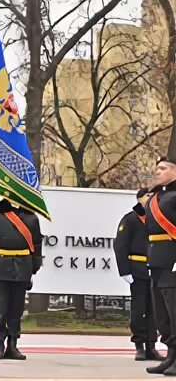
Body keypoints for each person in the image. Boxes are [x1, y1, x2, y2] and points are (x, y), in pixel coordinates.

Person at [0, 198, 42, 361]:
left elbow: (36, 245)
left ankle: (13, 344)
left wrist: (34, 268)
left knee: (17, 308)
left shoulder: (31, 219)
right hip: (2, 265)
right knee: (1, 307)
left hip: (23, 266)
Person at [113, 188, 163, 361]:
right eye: (148, 196)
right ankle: (139, 345)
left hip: (155, 269)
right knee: (139, 309)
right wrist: (125, 271)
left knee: (155, 311)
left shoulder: (157, 219)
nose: (151, 199)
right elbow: (120, 246)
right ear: (139, 199)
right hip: (137, 270)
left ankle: (151, 345)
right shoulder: (131, 219)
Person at [144, 157, 176, 375]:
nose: (158, 172)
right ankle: (171, 355)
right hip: (157, 259)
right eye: (157, 168)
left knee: (174, 312)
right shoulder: (157, 196)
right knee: (162, 314)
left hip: (172, 260)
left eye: (163, 168)